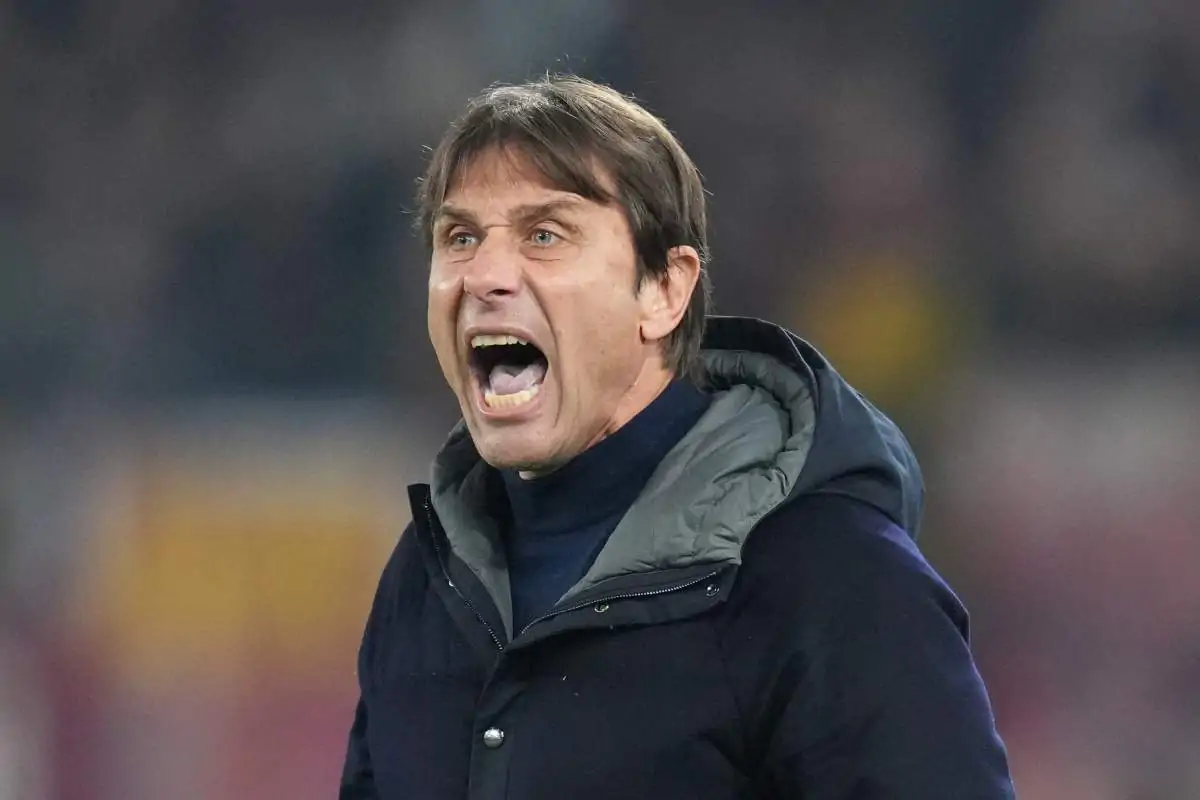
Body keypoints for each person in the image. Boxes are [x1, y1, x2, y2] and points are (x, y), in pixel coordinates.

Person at [339, 74, 1016, 799]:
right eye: (461, 237)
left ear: (664, 290)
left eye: (545, 235)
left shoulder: (829, 576)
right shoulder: (428, 580)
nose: (485, 275)